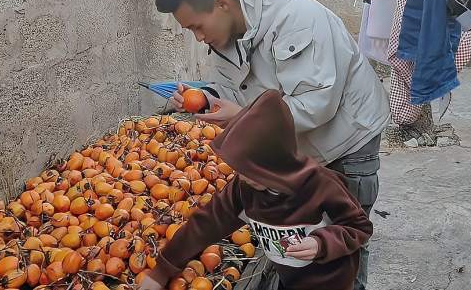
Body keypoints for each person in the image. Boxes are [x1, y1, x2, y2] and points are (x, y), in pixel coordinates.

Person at [156, 0, 390, 289]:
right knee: (305, 237)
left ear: (221, 4)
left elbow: (317, 104)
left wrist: (242, 117)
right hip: (296, 147)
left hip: (345, 139)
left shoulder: (298, 19)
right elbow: (236, 93)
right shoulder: (226, 40)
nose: (197, 37)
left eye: (196, 26)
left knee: (343, 236)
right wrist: (208, 98)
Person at [137, 90, 373, 290]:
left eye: (254, 169)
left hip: (332, 282)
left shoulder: (320, 186)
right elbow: (205, 223)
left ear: (275, 160)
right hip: (290, 279)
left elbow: (358, 227)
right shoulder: (244, 189)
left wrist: (322, 243)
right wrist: (162, 271)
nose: (243, 176)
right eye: (241, 169)